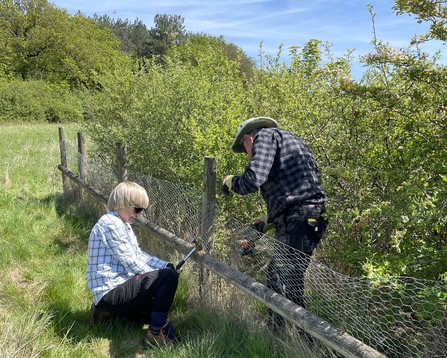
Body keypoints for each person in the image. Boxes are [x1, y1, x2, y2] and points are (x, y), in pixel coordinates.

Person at [221, 116, 328, 332]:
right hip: (307, 216)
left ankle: (304, 341)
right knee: (278, 278)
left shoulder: (265, 136)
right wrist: (264, 224)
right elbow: (296, 195)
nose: (248, 156)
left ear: (248, 138)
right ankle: (279, 335)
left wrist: (230, 181)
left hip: (299, 216)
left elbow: (253, 179)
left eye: (245, 149)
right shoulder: (290, 143)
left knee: (287, 281)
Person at [87, 181, 178, 347]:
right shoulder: (111, 225)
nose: (140, 214)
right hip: (111, 291)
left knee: (152, 309)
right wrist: (162, 275)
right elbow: (133, 264)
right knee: (169, 279)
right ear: (121, 205)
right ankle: (155, 335)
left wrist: (165, 265)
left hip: (118, 286)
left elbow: (139, 255)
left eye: (142, 210)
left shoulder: (122, 224)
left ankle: (107, 314)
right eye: (137, 209)